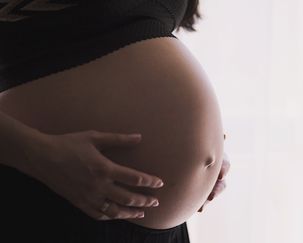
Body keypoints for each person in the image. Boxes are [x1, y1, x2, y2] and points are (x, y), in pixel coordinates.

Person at [0, 0, 230, 242]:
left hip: (159, 226)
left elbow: (135, 38)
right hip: (51, 196)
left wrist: (201, 145)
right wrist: (39, 156)